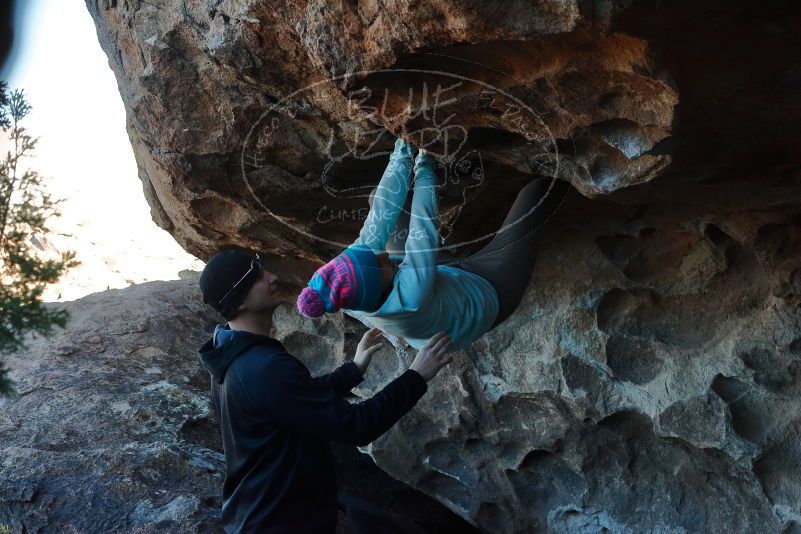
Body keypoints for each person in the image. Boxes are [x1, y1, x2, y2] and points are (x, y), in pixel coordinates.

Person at [197, 249, 454, 533]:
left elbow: (294, 400)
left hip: (258, 514)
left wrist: (353, 370)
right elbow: (357, 426)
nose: (273, 276)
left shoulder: (233, 356)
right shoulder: (263, 368)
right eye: (258, 276)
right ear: (240, 300)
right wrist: (417, 375)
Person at [297, 136, 571, 351]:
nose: (382, 255)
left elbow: (381, 213)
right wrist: (425, 164)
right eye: (378, 264)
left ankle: (454, 253)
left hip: (440, 278)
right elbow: (423, 227)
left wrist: (404, 146)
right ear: (376, 287)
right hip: (489, 292)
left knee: (377, 205)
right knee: (537, 195)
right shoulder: (409, 299)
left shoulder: (347, 290)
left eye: (371, 255)